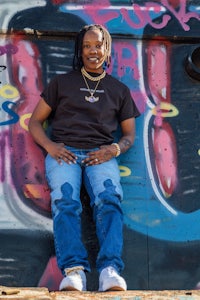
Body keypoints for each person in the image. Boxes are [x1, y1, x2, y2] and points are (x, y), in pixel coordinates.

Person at [29, 24, 140, 292]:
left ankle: (110, 271)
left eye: (98, 45)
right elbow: (34, 122)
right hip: (64, 154)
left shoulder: (119, 90)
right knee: (66, 202)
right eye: (87, 46)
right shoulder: (61, 83)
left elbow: (129, 135)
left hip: (101, 155)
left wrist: (113, 150)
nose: (93, 51)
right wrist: (50, 147)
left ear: (106, 49)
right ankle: (74, 271)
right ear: (80, 50)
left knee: (109, 201)